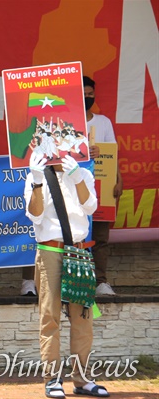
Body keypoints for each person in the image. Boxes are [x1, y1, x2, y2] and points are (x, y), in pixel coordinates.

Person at [24, 152, 110, 398]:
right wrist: (38, 181)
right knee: (50, 316)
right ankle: (52, 379)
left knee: (82, 317)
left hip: (79, 251)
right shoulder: (34, 175)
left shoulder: (82, 174)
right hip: (50, 250)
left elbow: (91, 206)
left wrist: (76, 177)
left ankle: (82, 380)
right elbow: (35, 214)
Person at [84, 76, 123, 296]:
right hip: (73, 189)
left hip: (101, 186)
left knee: (100, 237)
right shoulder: (65, 123)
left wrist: (119, 178)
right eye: (84, 94)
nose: (88, 98)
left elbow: (112, 153)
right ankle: (74, 282)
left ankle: (101, 282)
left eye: (91, 94)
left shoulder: (103, 122)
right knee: (75, 237)